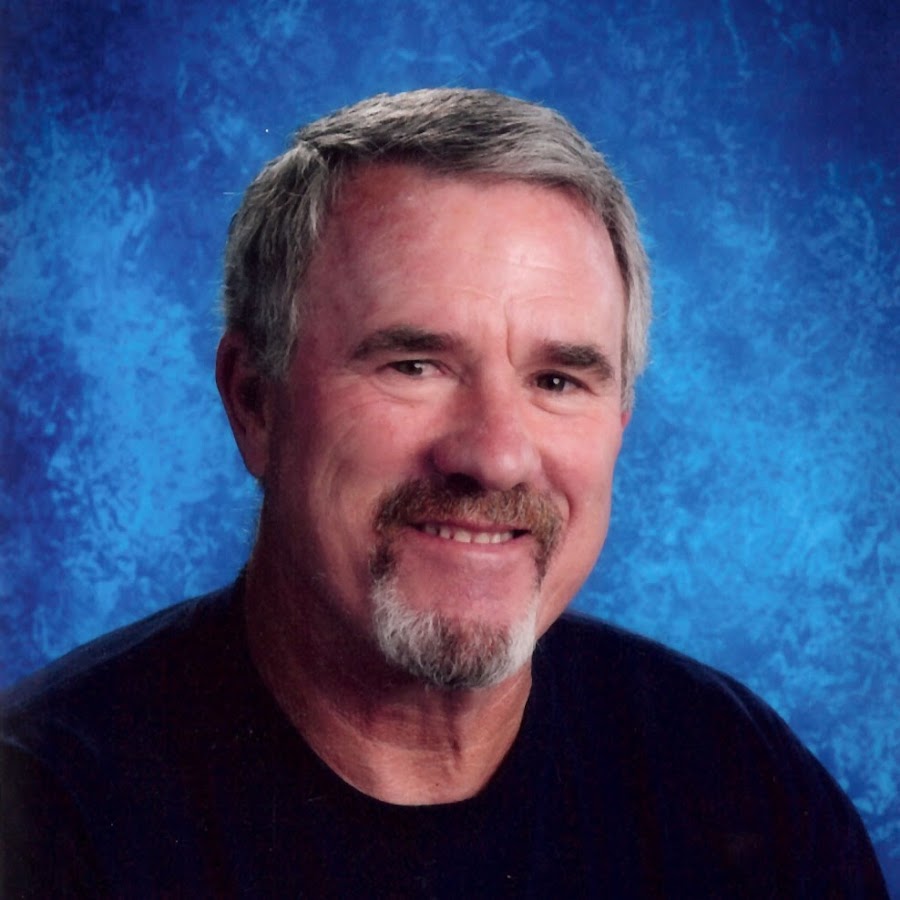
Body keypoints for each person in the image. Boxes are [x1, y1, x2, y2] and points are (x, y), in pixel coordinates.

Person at [1, 88, 887, 898]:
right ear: (255, 402)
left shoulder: (740, 785)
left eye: (557, 381)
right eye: (414, 365)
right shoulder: (46, 815)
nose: (495, 457)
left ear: (620, 418)